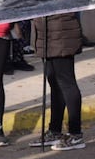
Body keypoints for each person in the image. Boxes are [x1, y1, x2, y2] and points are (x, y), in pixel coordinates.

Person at [29, 11, 85, 150]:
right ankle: (55, 130)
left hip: (61, 34)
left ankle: (75, 134)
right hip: (47, 33)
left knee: (66, 82)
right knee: (54, 82)